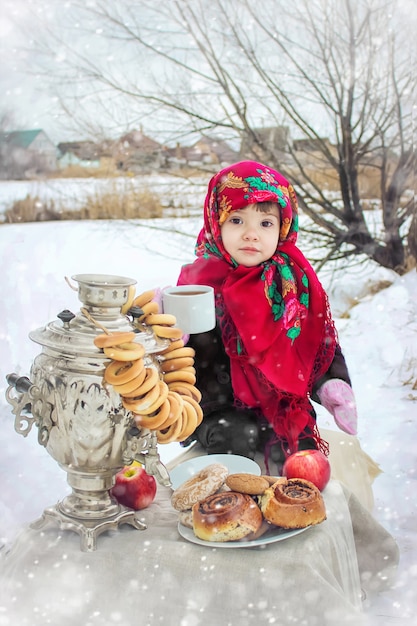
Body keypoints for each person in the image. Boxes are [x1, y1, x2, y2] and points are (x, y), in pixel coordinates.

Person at [176, 160, 358, 471]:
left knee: (300, 447)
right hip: (218, 406)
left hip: (282, 403)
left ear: (284, 227)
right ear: (215, 222)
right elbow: (180, 350)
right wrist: (172, 325)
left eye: (265, 224)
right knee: (233, 442)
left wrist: (332, 383)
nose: (251, 234)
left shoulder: (292, 283)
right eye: (236, 220)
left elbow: (314, 341)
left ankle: (296, 506)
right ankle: (231, 506)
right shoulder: (201, 281)